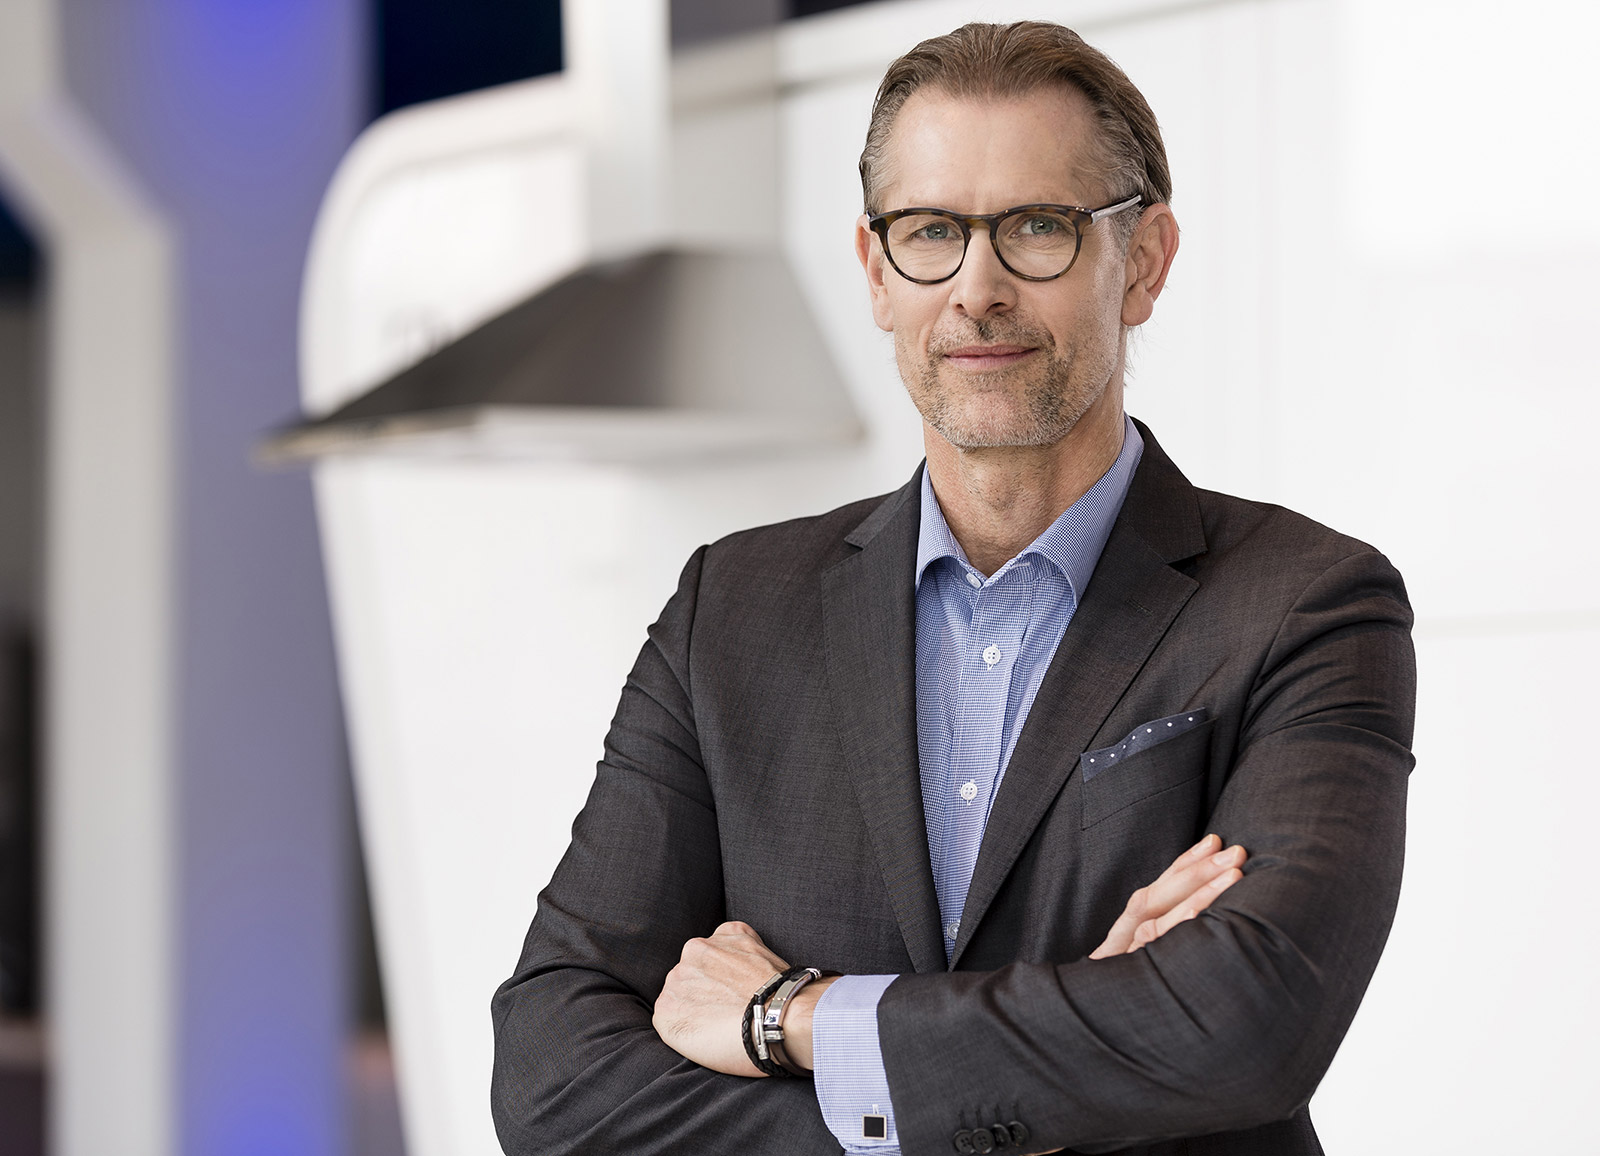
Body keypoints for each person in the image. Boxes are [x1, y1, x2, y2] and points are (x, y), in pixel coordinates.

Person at [491, 20, 1413, 1156]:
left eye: (1038, 228)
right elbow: (551, 1080)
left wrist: (797, 1019)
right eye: (931, 232)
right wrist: (1062, 1067)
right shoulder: (728, 611)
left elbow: (1246, 1025)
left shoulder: (1306, 604)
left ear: (1144, 260)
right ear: (877, 271)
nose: (977, 290)